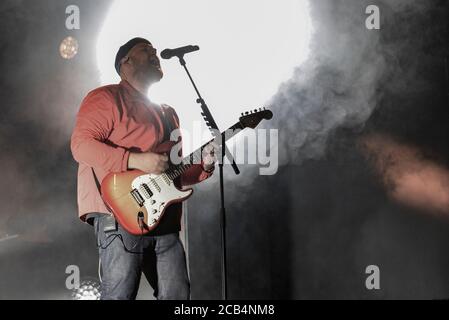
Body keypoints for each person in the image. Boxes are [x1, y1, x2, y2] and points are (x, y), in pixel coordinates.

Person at [70, 37, 216, 300]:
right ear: (125, 62)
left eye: (155, 50)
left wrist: (204, 165)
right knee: (120, 294)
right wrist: (134, 160)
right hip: (119, 212)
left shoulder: (167, 112)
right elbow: (81, 146)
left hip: (165, 219)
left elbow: (173, 173)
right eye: (146, 49)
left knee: (178, 297)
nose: (155, 53)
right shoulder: (106, 98)